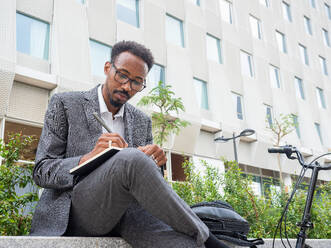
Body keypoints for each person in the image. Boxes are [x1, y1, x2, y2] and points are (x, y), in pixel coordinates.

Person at [30, 41, 229, 248]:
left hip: (127, 216)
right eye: (122, 75)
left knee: (186, 243)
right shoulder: (65, 104)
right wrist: (88, 157)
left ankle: (204, 241)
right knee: (132, 158)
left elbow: (147, 187)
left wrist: (156, 164)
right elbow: (41, 170)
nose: (127, 86)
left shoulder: (142, 121)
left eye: (136, 82)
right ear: (108, 68)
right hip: (74, 212)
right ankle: (211, 240)